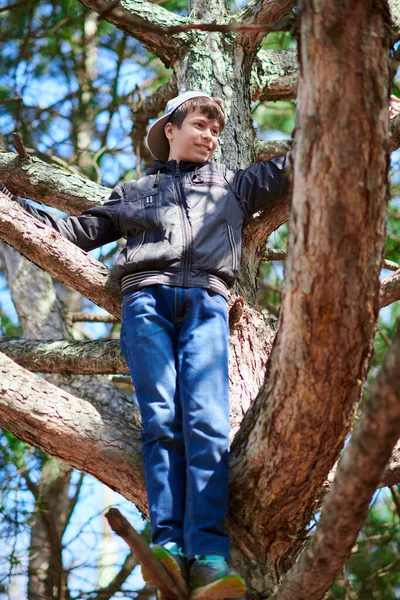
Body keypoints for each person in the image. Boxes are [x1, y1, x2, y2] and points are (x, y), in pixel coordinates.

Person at [1, 90, 290, 600]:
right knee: (161, 419)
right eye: (199, 125)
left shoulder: (236, 185)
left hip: (207, 304)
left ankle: (209, 557)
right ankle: (169, 545)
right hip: (145, 304)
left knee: (206, 421)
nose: (209, 136)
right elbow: (74, 230)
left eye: (216, 131)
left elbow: (303, 164)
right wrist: (12, 210)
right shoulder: (135, 191)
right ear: (169, 130)